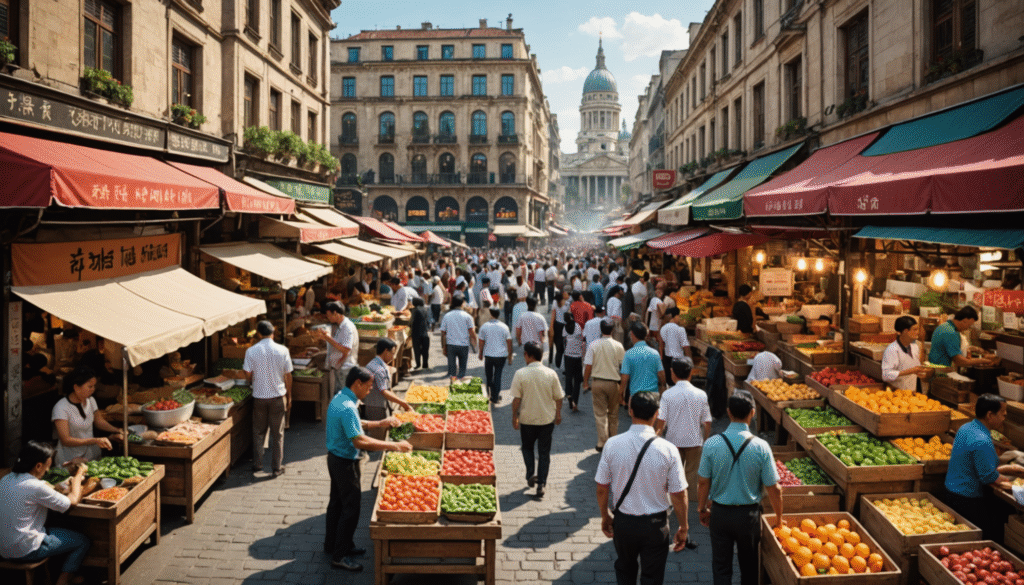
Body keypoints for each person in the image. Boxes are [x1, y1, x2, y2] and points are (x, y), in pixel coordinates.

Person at [595, 391, 689, 585]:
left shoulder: (612, 445)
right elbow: (679, 493)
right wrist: (684, 527)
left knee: (625, 571)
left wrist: (605, 516)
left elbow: (602, 488)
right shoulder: (668, 449)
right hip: (656, 525)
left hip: (624, 523)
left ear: (630, 411)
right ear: (656, 414)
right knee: (653, 577)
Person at [324, 367, 412, 572]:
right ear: (357, 384)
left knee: (336, 504)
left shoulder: (341, 398)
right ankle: (340, 556)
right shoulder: (347, 406)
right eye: (368, 386)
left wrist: (380, 423)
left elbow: (355, 424)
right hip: (346, 463)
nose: (370, 391)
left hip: (335, 459)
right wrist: (394, 446)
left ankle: (334, 545)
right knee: (351, 509)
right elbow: (359, 441)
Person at [697, 391, 783, 585]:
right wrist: (778, 519)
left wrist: (702, 509)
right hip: (749, 517)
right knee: (750, 568)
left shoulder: (712, 444)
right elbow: (774, 488)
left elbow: (703, 482)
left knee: (721, 567)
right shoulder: (761, 446)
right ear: (752, 413)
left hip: (719, 514)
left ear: (728, 412)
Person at [0, 442, 91, 585]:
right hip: (25, 550)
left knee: (54, 528)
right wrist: (79, 476)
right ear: (38, 466)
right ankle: (64, 580)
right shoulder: (36, 486)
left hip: (3, 549)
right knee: (82, 541)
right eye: (47, 468)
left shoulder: (5, 479)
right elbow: (72, 502)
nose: (47, 471)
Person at [944, 393, 1024, 542]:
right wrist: (1012, 483)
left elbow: (977, 467)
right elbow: (988, 477)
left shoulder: (967, 427)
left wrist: (1012, 470)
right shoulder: (981, 440)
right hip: (967, 499)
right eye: (1003, 413)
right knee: (997, 527)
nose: (1005, 417)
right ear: (989, 415)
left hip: (952, 492)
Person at [656, 358, 711, 515]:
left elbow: (661, 421)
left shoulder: (667, 395)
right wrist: (706, 439)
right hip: (695, 441)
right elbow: (707, 422)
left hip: (674, 443)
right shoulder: (701, 394)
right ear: (691, 373)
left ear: (672, 373)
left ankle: (676, 501)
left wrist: (657, 437)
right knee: (692, 475)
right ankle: (692, 506)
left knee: (674, 475)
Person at [511, 342, 564, 499]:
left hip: (527, 420)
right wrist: (558, 414)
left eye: (524, 354)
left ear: (529, 355)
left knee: (527, 448)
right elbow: (559, 397)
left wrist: (514, 416)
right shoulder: (551, 373)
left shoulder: (520, 373)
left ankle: (529, 475)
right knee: (544, 452)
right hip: (546, 420)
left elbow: (516, 400)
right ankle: (541, 484)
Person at [244, 320, 293, 477]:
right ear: (273, 333)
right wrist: (289, 396)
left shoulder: (251, 351)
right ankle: (276, 468)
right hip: (278, 397)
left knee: (258, 431)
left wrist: (253, 381)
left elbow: (247, 374)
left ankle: (257, 464)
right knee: (277, 434)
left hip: (259, 397)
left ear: (258, 334)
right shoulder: (283, 350)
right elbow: (288, 376)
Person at [51, 365, 123, 466]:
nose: (93, 389)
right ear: (76, 387)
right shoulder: (61, 407)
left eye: (94, 386)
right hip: (69, 460)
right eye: (90, 386)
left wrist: (117, 430)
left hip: (90, 456)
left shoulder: (91, 400)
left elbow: (99, 421)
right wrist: (95, 440)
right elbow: (66, 440)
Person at [584, 319, 626, 451]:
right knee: (613, 414)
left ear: (600, 330)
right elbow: (623, 366)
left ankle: (602, 442)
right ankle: (613, 440)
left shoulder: (593, 345)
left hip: (598, 382)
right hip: (614, 383)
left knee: (600, 414)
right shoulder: (618, 345)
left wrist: (585, 382)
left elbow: (588, 366)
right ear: (613, 330)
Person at [364, 338, 412, 435]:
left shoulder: (372, 363)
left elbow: (387, 388)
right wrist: (403, 403)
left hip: (371, 404)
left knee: (375, 433)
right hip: (377, 407)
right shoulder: (379, 369)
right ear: (386, 351)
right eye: (392, 353)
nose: (393, 357)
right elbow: (384, 391)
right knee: (379, 434)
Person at [929, 306, 997, 368]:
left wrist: (976, 350)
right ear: (964, 321)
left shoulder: (944, 326)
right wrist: (983, 361)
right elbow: (960, 361)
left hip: (934, 368)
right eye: (969, 325)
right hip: (941, 372)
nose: (968, 328)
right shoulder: (951, 333)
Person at [317, 302, 359, 392]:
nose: (328, 317)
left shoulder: (347, 327)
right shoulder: (340, 326)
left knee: (343, 398)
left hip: (345, 369)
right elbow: (339, 344)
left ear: (335, 313)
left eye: (329, 315)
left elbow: (346, 349)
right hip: (340, 368)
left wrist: (328, 339)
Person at [620, 323, 666, 404]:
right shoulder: (655, 353)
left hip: (636, 396)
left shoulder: (628, 354)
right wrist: (663, 385)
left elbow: (624, 378)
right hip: (653, 396)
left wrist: (620, 394)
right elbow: (661, 374)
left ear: (632, 334)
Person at [882, 315, 931, 391]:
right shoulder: (892, 349)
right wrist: (911, 371)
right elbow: (886, 375)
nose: (917, 332)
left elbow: (915, 369)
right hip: (895, 393)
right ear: (905, 331)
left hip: (911, 393)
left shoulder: (915, 347)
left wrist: (922, 372)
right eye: (914, 330)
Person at [478, 306, 513, 404]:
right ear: (498, 315)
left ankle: (491, 393)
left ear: (490, 314)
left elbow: (481, 342)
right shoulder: (504, 327)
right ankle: (495, 396)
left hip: (488, 355)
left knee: (489, 375)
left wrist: (480, 353)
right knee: (498, 375)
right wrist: (510, 356)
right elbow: (509, 342)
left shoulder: (484, 326)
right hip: (501, 356)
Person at [440, 296, 478, 379]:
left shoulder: (447, 316)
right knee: (462, 370)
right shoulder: (468, 316)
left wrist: (443, 346)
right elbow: (471, 331)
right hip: (463, 345)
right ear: (462, 304)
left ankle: (452, 383)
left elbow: (443, 332)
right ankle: (459, 385)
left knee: (452, 371)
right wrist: (475, 342)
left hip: (451, 345)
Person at [659, 307, 692, 376]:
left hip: (667, 360)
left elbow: (661, 346)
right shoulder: (680, 329)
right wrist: (690, 362)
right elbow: (686, 347)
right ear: (675, 316)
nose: (679, 318)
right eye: (679, 316)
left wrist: (662, 360)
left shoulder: (662, 329)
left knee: (670, 382)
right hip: (678, 360)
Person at [563, 319, 586, 412]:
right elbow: (582, 340)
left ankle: (569, 396)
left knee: (568, 378)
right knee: (577, 381)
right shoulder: (578, 327)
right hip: (577, 357)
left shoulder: (565, 328)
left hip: (568, 356)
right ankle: (575, 403)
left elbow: (564, 341)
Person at [410, 297, 431, 370]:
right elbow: (428, 320)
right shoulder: (425, 309)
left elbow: (411, 321)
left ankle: (418, 364)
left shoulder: (414, 310)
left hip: (416, 333)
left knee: (417, 350)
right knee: (425, 350)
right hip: (425, 332)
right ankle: (425, 364)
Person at [549, 292, 569, 368]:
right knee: (565, 346)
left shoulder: (555, 302)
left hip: (557, 326)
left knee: (558, 347)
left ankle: (558, 364)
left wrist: (551, 328)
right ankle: (563, 365)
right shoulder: (567, 304)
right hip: (565, 326)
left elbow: (553, 316)